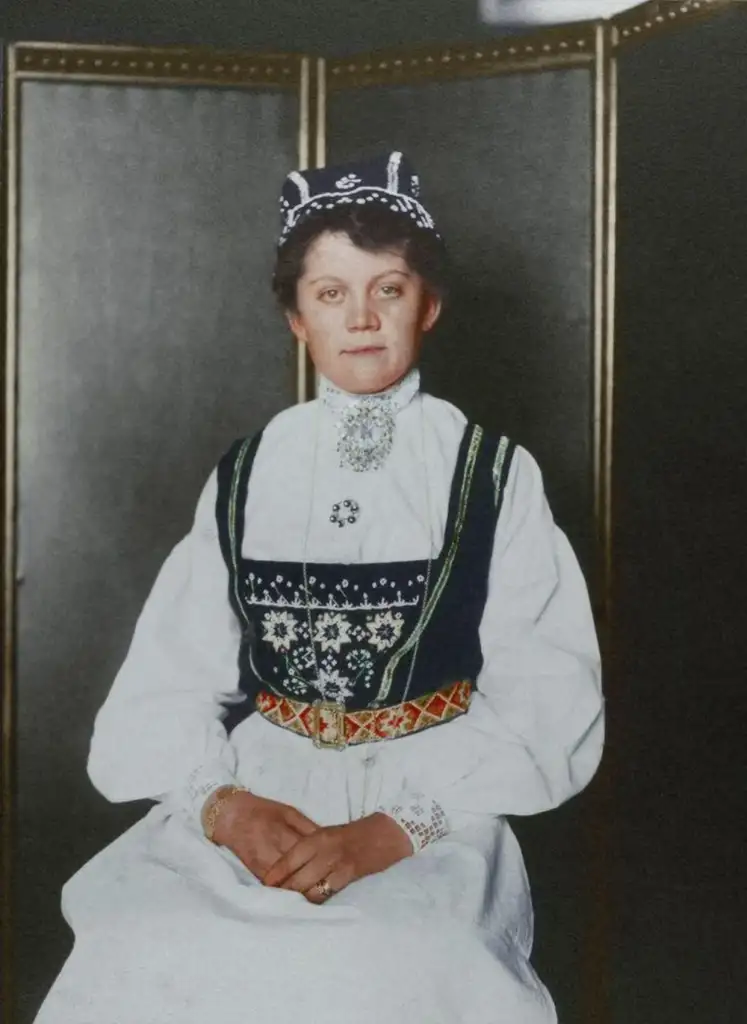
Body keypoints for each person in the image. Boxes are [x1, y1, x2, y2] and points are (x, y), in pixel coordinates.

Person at [34, 151, 603, 1024]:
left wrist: (391, 831)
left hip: (437, 796)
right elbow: (167, 679)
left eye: (389, 289)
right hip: (266, 780)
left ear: (431, 304)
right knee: (146, 935)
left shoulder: (491, 471)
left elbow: (547, 698)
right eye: (332, 293)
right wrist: (225, 809)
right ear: (296, 318)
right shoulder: (247, 472)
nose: (364, 317)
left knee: (389, 953)